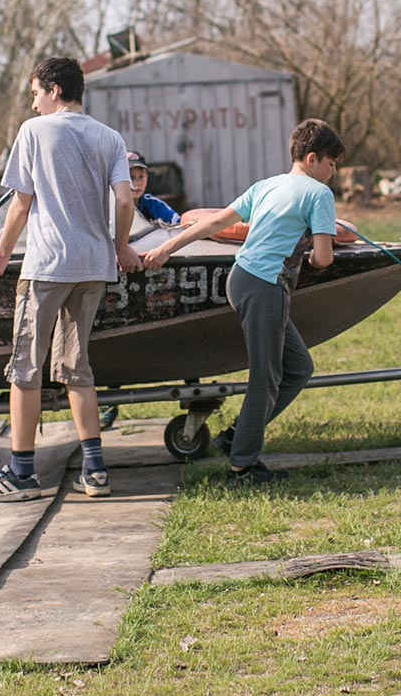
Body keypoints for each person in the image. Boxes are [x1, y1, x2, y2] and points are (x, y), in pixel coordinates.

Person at [0, 58, 141, 504]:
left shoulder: (34, 131)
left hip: (47, 266)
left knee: (26, 369)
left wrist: (2, 253)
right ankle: (95, 469)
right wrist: (121, 247)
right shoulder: (110, 137)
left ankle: (22, 474)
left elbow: (20, 204)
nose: (33, 101)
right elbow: (124, 200)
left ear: (52, 90)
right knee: (77, 368)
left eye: (34, 93)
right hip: (94, 265)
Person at [140, 118, 342, 485]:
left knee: (298, 369)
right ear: (313, 159)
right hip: (265, 287)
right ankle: (242, 467)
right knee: (265, 379)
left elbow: (216, 221)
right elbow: (325, 259)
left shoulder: (267, 185)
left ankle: (237, 436)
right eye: (332, 162)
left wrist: (166, 246)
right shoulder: (318, 194)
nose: (334, 171)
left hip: (241, 280)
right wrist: (313, 255)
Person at [126, 152, 180, 226]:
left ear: (147, 177)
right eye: (131, 178)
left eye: (141, 177)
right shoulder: (109, 207)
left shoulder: (152, 204)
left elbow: (178, 223)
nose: (137, 183)